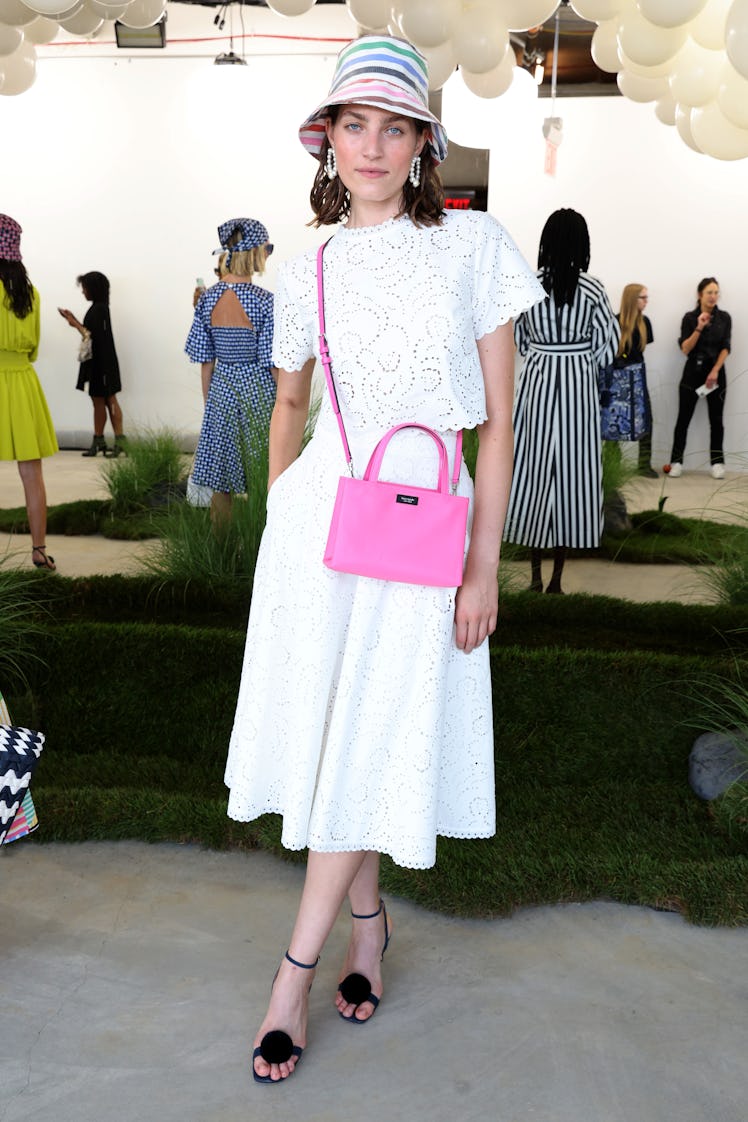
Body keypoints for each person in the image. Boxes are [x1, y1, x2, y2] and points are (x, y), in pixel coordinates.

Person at [223, 35, 544, 1085]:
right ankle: (368, 929)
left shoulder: (473, 246)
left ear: (421, 143)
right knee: (337, 742)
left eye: (391, 125)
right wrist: (280, 519)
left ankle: (291, 976)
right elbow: (287, 402)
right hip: (321, 528)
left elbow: (496, 425)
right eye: (351, 124)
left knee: (369, 738)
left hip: (423, 530)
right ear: (327, 143)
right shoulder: (308, 262)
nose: (370, 145)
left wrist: (483, 565)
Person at [503, 208, 620, 594]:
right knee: (574, 476)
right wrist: (579, 354)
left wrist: (542, 349)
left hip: (536, 382)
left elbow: (517, 340)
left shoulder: (528, 284)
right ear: (582, 244)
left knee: (532, 471)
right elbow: (608, 349)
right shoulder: (594, 290)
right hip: (577, 385)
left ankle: (534, 577)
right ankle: (557, 580)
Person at [184, 220, 275, 526]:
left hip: (222, 388)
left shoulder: (207, 298)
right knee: (262, 469)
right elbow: (271, 362)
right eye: (268, 249)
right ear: (254, 253)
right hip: (258, 390)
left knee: (221, 477)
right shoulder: (264, 301)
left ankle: (220, 550)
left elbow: (204, 360)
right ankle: (257, 549)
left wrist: (210, 402)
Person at [0, 214, 58, 572]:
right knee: (32, 473)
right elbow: (33, 348)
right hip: (22, 383)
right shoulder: (31, 293)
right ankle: (39, 550)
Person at [668, 277, 730, 480]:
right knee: (683, 419)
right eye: (709, 292)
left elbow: (726, 347)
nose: (713, 296)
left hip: (715, 373)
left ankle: (717, 463)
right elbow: (685, 348)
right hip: (692, 372)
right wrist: (699, 326)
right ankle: (676, 461)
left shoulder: (724, 318)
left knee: (717, 420)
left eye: (716, 292)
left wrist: (715, 371)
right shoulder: (689, 318)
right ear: (700, 295)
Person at [58, 272, 125, 458]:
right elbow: (92, 333)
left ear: (93, 289)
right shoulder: (99, 308)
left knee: (107, 399)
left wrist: (75, 325)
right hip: (101, 360)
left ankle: (114, 440)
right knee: (100, 400)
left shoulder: (99, 309)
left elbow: (93, 336)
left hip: (101, 361)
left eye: (85, 288)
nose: (83, 292)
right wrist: (75, 322)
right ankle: (101, 439)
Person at [616, 284, 656, 477]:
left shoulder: (644, 322)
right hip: (618, 377)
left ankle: (644, 465)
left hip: (638, 375)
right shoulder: (615, 322)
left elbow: (640, 349)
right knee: (615, 421)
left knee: (646, 419)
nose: (646, 301)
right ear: (632, 299)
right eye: (643, 297)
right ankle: (613, 464)